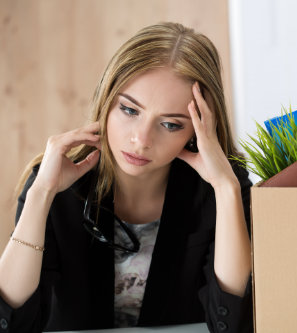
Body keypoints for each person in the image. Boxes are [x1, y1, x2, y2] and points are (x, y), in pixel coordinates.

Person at [0, 22, 253, 333]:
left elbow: (232, 323)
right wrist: (41, 193)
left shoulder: (221, 191)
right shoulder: (54, 182)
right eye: (130, 111)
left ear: (198, 131)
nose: (141, 140)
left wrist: (226, 189)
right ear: (107, 100)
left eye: (171, 124)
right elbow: (11, 323)